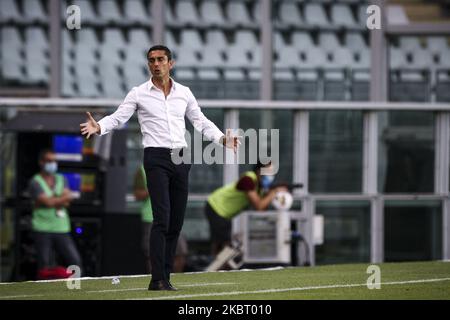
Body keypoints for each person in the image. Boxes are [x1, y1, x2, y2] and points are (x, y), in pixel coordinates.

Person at [80, 45, 239, 291]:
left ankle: (166, 276)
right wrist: (99, 126)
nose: (156, 64)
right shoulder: (138, 93)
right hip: (155, 158)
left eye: (160, 59)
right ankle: (157, 278)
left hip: (181, 158)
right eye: (152, 60)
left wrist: (221, 139)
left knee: (176, 223)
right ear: (148, 64)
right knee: (161, 220)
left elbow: (200, 121)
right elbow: (119, 117)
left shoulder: (184, 93)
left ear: (170, 63)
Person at [205, 161, 288, 257]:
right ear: (258, 171)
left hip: (224, 213)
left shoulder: (259, 187)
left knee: (223, 243)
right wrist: (274, 192)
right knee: (223, 244)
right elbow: (259, 206)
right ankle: (217, 267)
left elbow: (262, 208)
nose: (270, 175)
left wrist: (272, 194)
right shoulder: (248, 180)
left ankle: (219, 266)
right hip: (216, 207)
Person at [28, 149, 82, 280]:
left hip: (61, 227)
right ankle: (45, 292)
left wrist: (55, 200)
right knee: (44, 265)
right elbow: (47, 202)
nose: (53, 164)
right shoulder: (35, 182)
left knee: (74, 261)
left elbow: (67, 200)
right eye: (49, 161)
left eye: (54, 161)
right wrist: (61, 199)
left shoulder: (61, 178)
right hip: (42, 228)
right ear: (41, 162)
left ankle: (74, 289)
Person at [133, 165, 188, 274]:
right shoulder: (142, 169)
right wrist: (157, 187)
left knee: (180, 253)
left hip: (172, 216)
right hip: (151, 217)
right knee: (152, 254)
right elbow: (137, 194)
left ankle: (171, 279)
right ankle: (157, 280)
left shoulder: (175, 165)